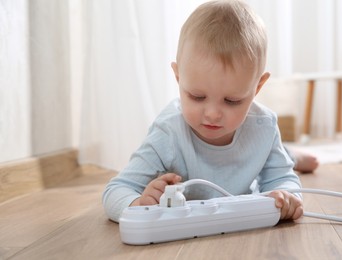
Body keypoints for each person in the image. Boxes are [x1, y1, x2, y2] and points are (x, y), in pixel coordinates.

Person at [103, 0, 304, 223]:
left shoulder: (264, 125)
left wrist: (286, 196)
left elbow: (283, 180)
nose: (212, 114)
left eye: (232, 100)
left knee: (281, 160)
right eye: (197, 97)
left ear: (257, 87)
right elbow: (117, 190)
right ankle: (292, 154)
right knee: (284, 156)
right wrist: (139, 204)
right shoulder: (168, 131)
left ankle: (291, 154)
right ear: (178, 77)